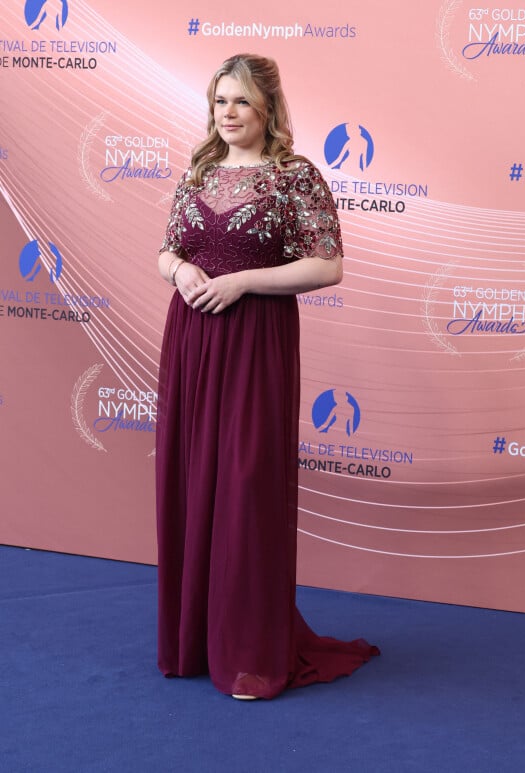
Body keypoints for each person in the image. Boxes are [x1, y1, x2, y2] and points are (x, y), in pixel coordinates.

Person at [156, 53, 379, 700]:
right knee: (192, 480)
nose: (227, 114)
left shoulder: (295, 178)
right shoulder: (199, 169)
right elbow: (168, 246)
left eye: (241, 103)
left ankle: (249, 652)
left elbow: (328, 266)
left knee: (246, 486)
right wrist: (180, 272)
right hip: (193, 337)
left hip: (256, 341)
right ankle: (192, 640)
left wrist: (243, 281)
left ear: (268, 111)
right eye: (220, 101)